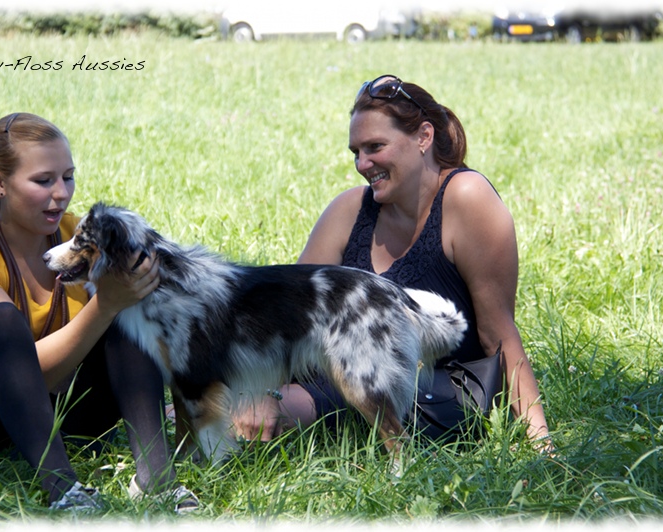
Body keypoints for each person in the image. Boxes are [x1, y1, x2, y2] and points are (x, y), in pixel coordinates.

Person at [233, 75, 551, 449]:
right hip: (336, 373)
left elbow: (497, 334)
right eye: (355, 151)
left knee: (261, 414)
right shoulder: (349, 209)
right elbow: (289, 318)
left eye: (375, 147)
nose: (362, 164)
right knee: (213, 410)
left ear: (423, 137)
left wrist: (540, 445)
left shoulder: (466, 198)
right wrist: (257, 388)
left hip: (431, 388)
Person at [0, 113, 198, 512]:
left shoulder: (80, 234)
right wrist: (106, 303)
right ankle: (63, 492)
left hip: (63, 409)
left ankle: (157, 479)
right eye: (43, 180)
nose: (61, 194)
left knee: (132, 314)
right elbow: (21, 372)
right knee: (4, 321)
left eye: (68, 177)